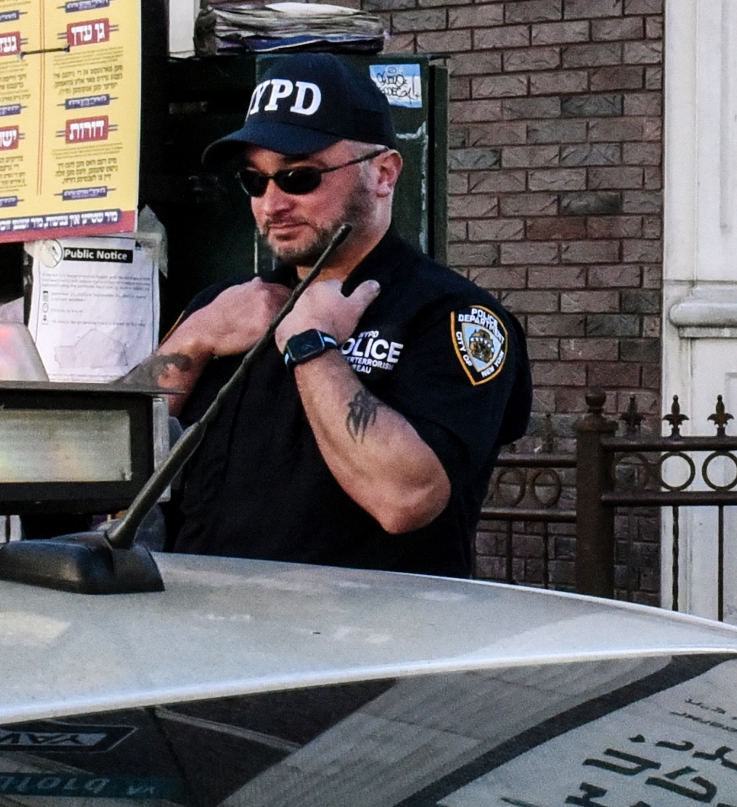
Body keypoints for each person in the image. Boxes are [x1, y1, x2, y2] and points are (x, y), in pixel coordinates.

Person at [148, 54, 532, 576]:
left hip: (362, 644)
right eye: (254, 182)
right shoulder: (224, 308)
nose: (271, 204)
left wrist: (311, 343)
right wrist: (194, 338)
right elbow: (99, 458)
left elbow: (405, 498)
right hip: (212, 634)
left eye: (299, 177)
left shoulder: (451, 315)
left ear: (383, 173)